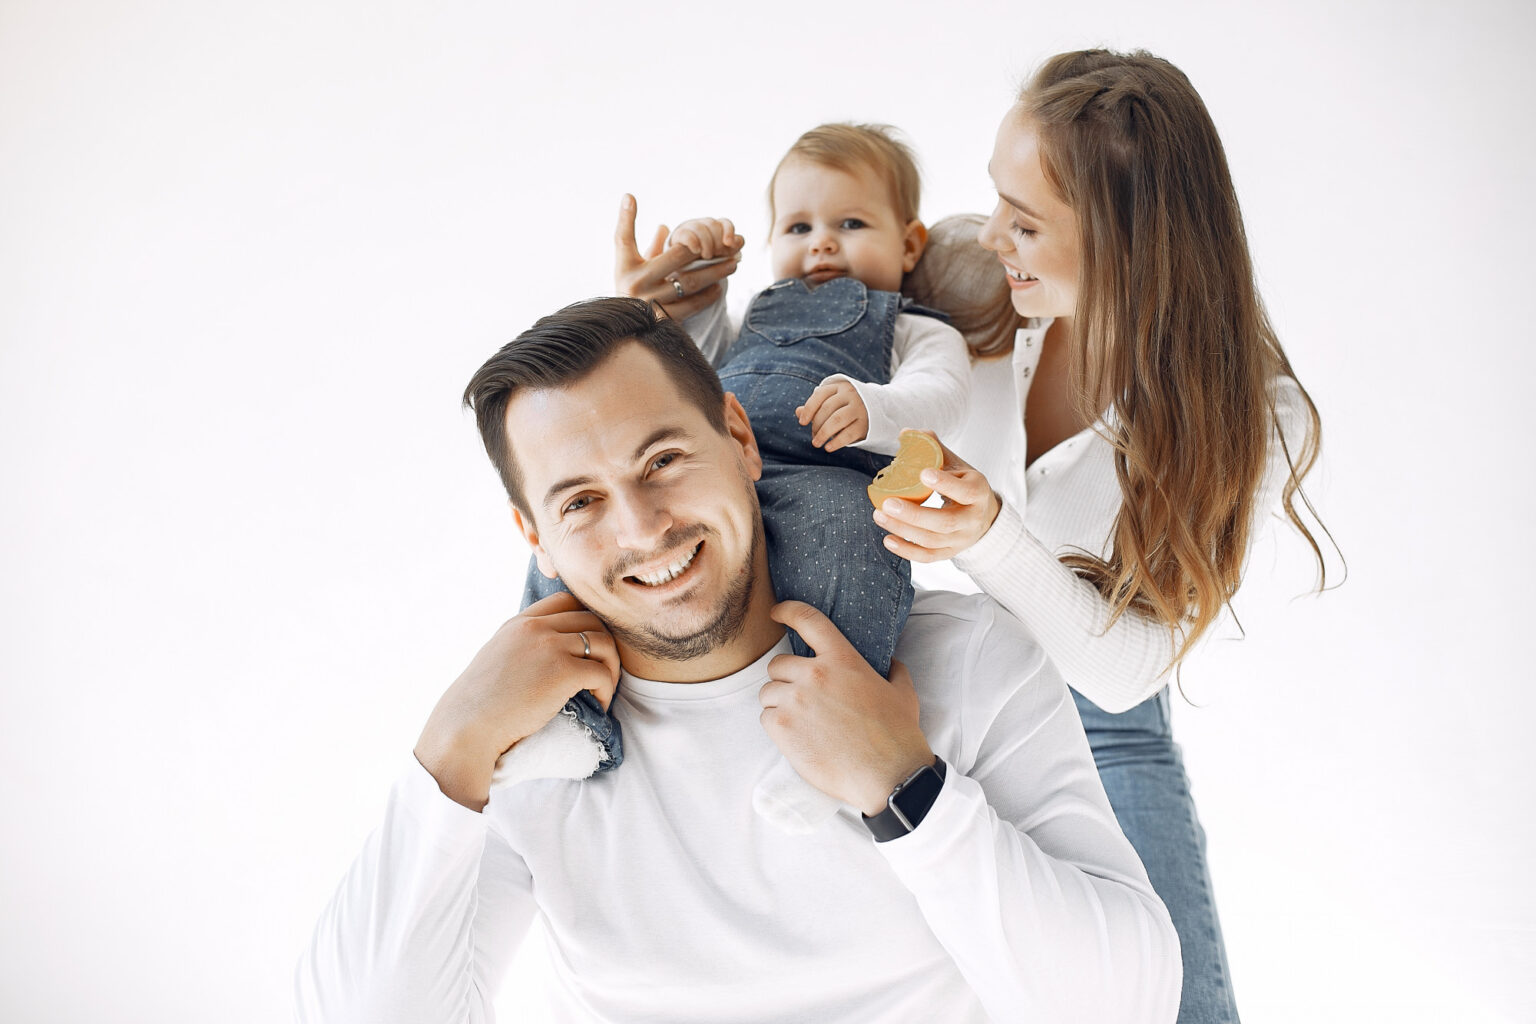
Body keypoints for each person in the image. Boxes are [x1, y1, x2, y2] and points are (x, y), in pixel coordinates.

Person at [295, 296, 1182, 1023]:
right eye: (580, 502)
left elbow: (1129, 1004)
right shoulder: (528, 749)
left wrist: (906, 788)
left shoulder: (968, 657)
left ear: (740, 438)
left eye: (664, 460)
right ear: (535, 537)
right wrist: (448, 754)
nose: (644, 529)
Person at [879, 51, 1331, 1024]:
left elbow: (1129, 672)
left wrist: (993, 535)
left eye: (1028, 221)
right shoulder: (976, 274)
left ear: (1132, 245)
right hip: (928, 692)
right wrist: (689, 310)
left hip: (1104, 730)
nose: (994, 232)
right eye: (999, 198)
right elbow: (816, 314)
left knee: (1179, 1007)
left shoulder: (1255, 415)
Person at [513, 124, 971, 831]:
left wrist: (875, 408)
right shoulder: (759, 311)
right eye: (798, 225)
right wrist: (688, 298)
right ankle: (569, 720)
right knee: (566, 559)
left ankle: (825, 739)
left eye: (851, 223)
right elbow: (690, 378)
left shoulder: (910, 327)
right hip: (718, 475)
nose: (821, 242)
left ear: (909, 243)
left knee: (858, 535)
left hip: (823, 473)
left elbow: (945, 394)